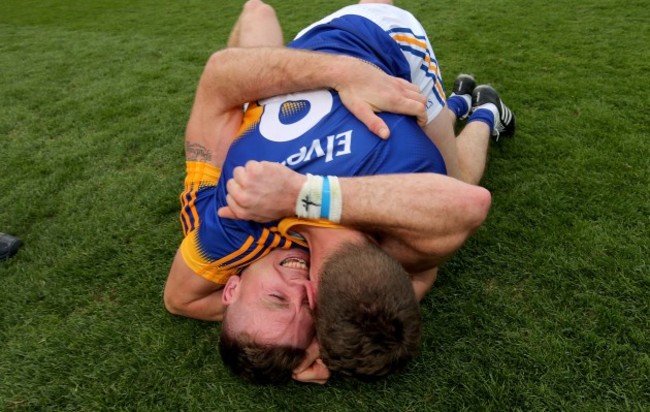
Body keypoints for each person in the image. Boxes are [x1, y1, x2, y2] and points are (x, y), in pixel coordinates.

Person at [163, 0, 514, 384]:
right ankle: (480, 109)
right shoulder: (403, 211)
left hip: (356, 48)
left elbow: (180, 300)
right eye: (310, 316)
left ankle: (469, 107)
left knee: (257, 18)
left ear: (232, 287)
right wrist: (331, 343)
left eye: (278, 299)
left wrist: (301, 193)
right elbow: (425, 265)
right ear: (316, 299)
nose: (296, 289)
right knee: (444, 161)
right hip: (377, 52)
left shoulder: (228, 220)